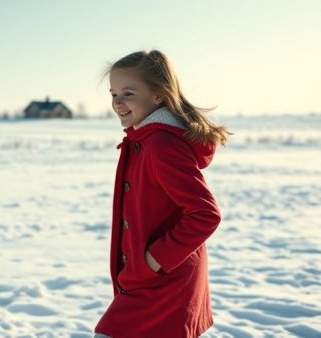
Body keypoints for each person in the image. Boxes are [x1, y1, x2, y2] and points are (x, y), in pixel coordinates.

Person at [93, 49, 230, 338]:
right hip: (147, 280)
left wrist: (153, 261)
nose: (117, 103)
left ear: (158, 95)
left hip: (165, 282)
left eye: (128, 93)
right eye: (113, 94)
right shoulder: (143, 139)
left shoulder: (160, 145)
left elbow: (205, 214)